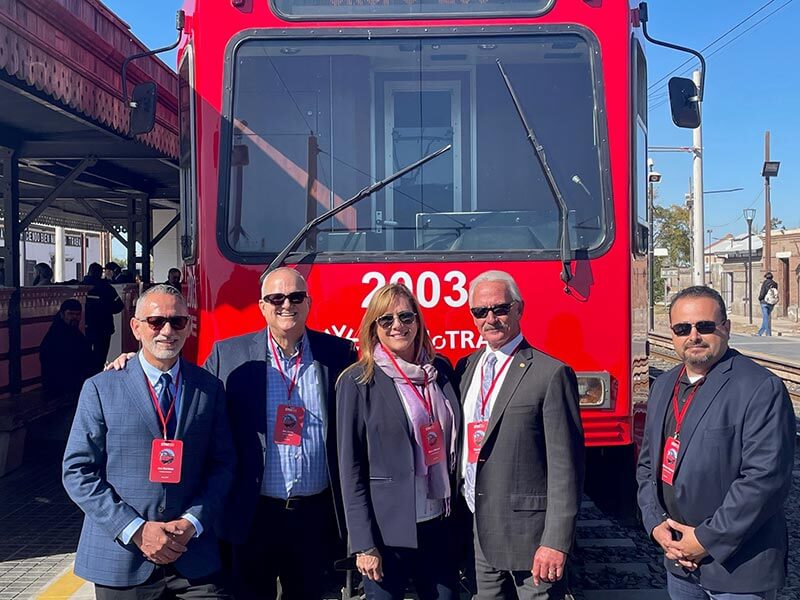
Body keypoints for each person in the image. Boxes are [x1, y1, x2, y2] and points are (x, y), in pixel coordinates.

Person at [62, 285, 236, 599]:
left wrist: (192, 522)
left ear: (188, 327)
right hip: (122, 558)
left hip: (193, 555)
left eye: (177, 322)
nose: (167, 330)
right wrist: (137, 530)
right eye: (156, 322)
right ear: (136, 327)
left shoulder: (209, 388)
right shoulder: (101, 388)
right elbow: (77, 472)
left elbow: (223, 464)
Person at [204, 267, 357, 600]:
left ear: (308, 303)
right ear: (262, 306)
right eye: (276, 298)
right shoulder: (227, 355)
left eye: (295, 297)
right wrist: (133, 361)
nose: (286, 304)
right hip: (252, 514)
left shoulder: (339, 354)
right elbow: (191, 397)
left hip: (314, 516)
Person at [636, 285, 795, 599]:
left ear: (726, 328)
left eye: (705, 326)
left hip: (739, 570)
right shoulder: (664, 385)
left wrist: (705, 539)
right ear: (673, 335)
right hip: (678, 562)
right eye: (683, 328)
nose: (693, 335)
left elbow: (763, 481)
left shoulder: (760, 388)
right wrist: (656, 525)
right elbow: (646, 465)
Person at [456, 270, 584, 600]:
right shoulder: (466, 368)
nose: (491, 318)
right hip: (480, 527)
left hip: (531, 538)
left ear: (519, 309)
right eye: (480, 311)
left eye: (500, 308)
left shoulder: (550, 373)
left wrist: (555, 542)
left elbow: (565, 469)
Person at [337, 284, 461, 600]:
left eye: (406, 316)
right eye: (386, 318)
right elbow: (349, 472)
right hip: (386, 533)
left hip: (438, 522)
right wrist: (364, 545)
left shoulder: (440, 371)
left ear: (418, 321)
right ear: (373, 327)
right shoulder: (357, 381)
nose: (398, 325)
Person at [39, 299, 95, 399]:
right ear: (62, 314)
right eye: (70, 314)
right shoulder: (55, 336)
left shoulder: (75, 334)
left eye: (77, 314)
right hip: (58, 388)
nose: (74, 317)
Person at [82, 262, 125, 371]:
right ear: (101, 273)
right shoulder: (107, 288)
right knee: (100, 357)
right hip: (104, 327)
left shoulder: (82, 287)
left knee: (85, 356)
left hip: (86, 327)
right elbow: (119, 306)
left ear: (88, 272)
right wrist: (106, 309)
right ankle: (97, 376)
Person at [756, 272, 778, 336]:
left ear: (766, 277)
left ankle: (767, 333)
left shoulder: (765, 283)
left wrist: (760, 298)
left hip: (764, 302)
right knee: (766, 317)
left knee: (765, 318)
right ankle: (760, 333)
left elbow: (762, 292)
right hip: (771, 303)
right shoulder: (775, 284)